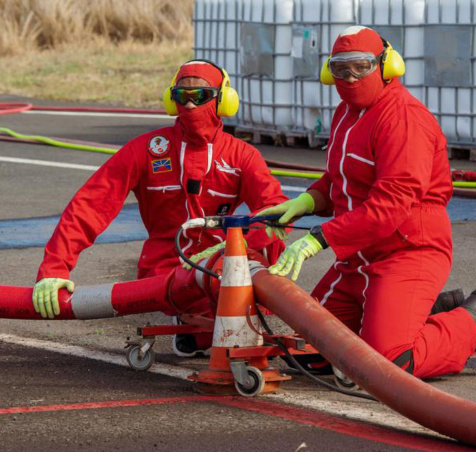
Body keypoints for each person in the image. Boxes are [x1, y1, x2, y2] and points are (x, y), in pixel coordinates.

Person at [260, 26, 476, 378]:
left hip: (408, 251)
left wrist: (318, 238)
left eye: (361, 66)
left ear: (386, 66)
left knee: (388, 364)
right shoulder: (346, 114)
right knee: (305, 353)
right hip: (359, 257)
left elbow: (391, 205)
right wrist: (308, 200)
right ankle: (424, 312)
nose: (350, 77)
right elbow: (341, 177)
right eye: (340, 69)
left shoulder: (403, 118)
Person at [32, 60, 287, 356]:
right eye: (182, 96)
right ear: (171, 99)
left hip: (225, 263)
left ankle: (209, 328)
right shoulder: (146, 149)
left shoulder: (242, 155)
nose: (190, 105)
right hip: (164, 270)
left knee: (266, 258)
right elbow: (91, 204)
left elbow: (276, 212)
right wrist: (54, 268)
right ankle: (198, 329)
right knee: (220, 325)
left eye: (201, 97)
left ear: (222, 100)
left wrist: (240, 252)